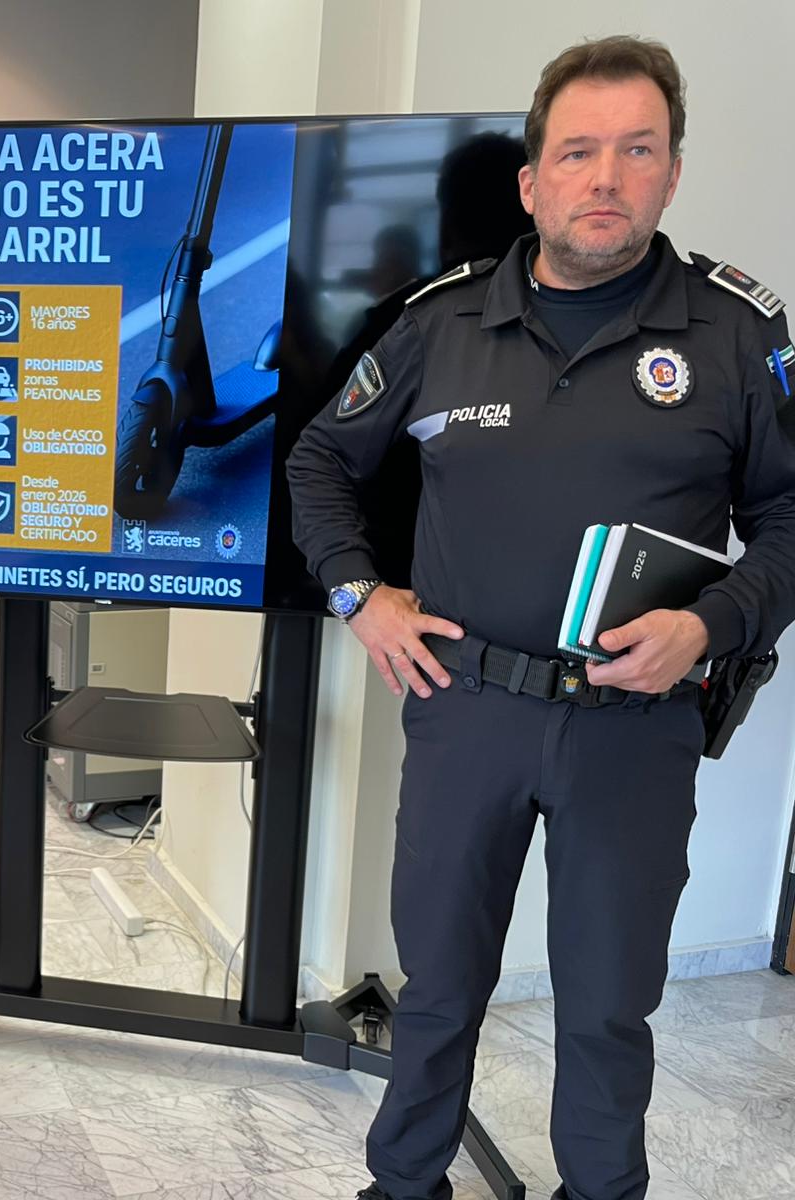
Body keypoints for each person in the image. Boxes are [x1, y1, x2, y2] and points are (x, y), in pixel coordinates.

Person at [287, 35, 795, 1200]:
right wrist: (359, 596)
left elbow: (788, 519)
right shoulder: (441, 322)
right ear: (532, 181)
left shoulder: (734, 335)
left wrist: (713, 623)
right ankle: (404, 1181)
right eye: (576, 152)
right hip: (464, 711)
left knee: (609, 1002)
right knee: (438, 990)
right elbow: (321, 459)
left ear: (670, 173)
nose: (603, 178)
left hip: (635, 727)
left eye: (635, 150)